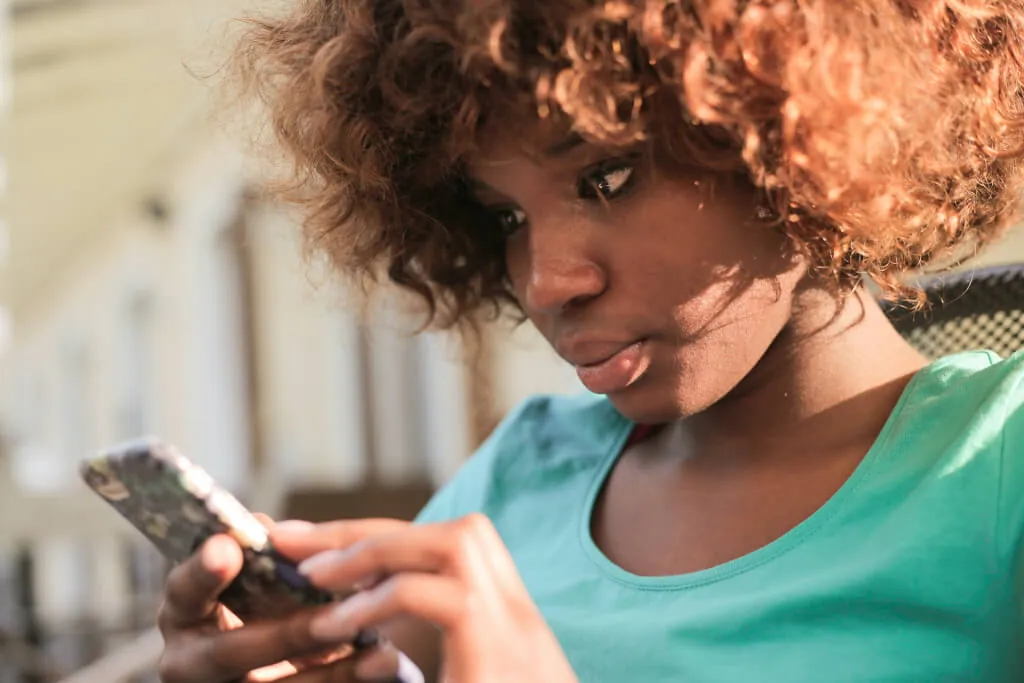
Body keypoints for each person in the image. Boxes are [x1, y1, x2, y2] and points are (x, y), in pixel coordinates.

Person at [156, 1, 1024, 681]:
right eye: (506, 218)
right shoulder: (520, 475)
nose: (545, 281)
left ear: (797, 135)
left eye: (607, 177)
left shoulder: (999, 465)